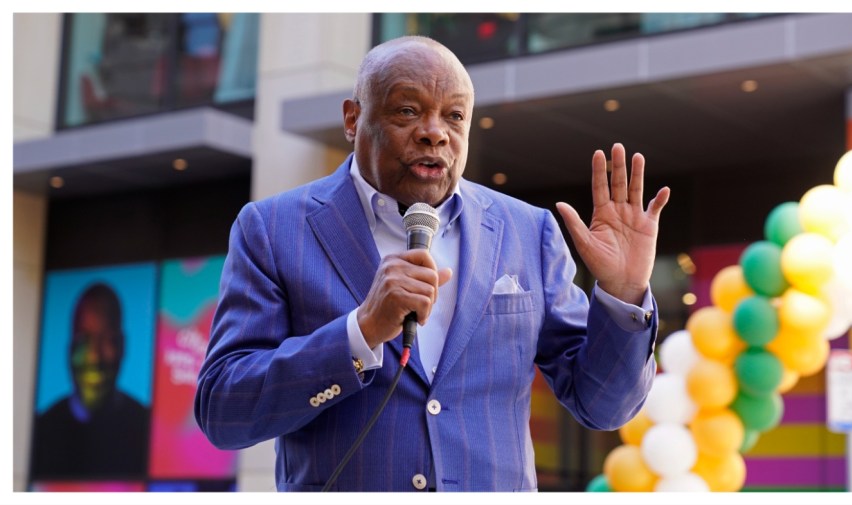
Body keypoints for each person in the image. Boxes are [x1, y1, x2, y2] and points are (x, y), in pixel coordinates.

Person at [195, 35, 669, 492]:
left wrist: (624, 294)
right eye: (407, 110)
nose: (434, 132)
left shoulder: (528, 230)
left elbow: (603, 407)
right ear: (352, 119)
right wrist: (360, 333)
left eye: (454, 116)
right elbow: (222, 409)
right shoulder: (273, 228)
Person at [31, 283, 149, 480]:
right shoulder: (41, 431)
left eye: (107, 340)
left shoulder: (148, 428)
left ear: (122, 346)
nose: (94, 358)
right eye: (84, 341)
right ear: (69, 350)